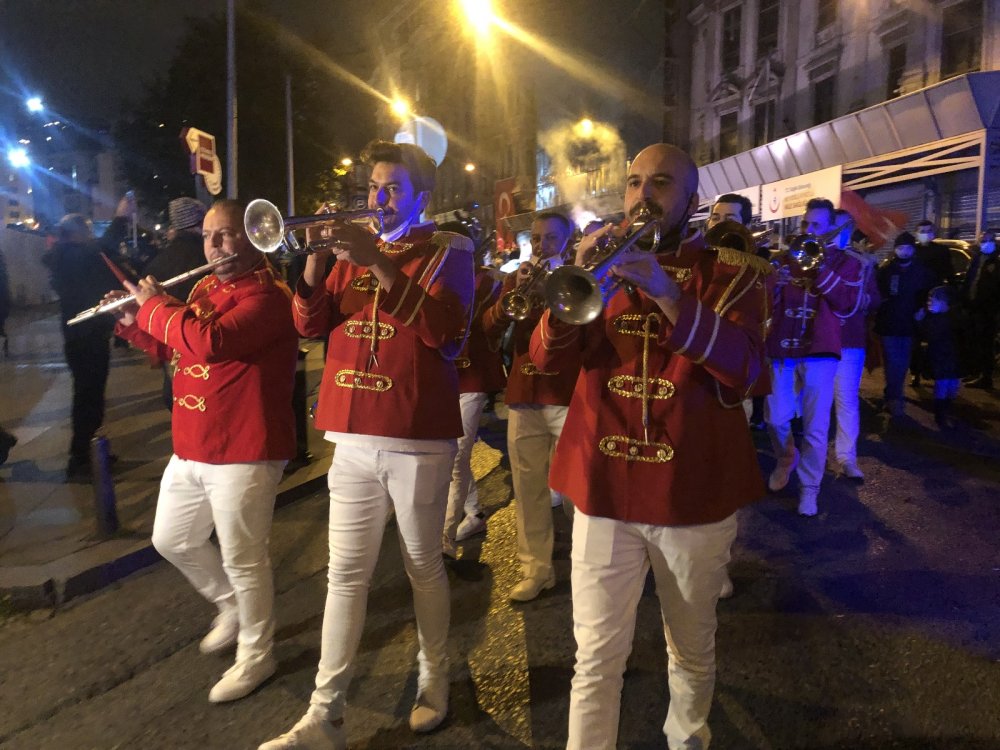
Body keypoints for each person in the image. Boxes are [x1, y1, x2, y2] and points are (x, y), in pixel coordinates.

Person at [530, 143, 770, 749]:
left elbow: (748, 370)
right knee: (595, 658)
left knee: (689, 650)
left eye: (660, 184)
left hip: (691, 492)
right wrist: (568, 295)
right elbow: (544, 366)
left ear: (691, 199)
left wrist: (666, 292)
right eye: (634, 183)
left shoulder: (733, 272)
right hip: (604, 487)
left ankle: (687, 740)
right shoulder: (601, 264)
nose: (642, 196)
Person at [259, 140, 473, 750]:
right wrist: (314, 265)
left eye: (392, 189)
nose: (376, 198)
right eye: (374, 187)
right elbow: (307, 325)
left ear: (422, 198)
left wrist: (375, 257)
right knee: (344, 575)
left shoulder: (447, 251)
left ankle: (436, 680)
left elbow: (443, 332)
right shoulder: (349, 254)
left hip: (415, 436)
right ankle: (322, 716)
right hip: (350, 432)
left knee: (421, 565)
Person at [106, 199, 298, 703]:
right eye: (210, 235)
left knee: (244, 556)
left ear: (253, 237)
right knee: (171, 539)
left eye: (228, 234)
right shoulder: (206, 287)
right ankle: (230, 605)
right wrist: (132, 321)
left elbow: (210, 342)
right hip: (193, 442)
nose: (215, 245)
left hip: (245, 445)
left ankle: (258, 655)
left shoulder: (271, 295)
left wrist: (155, 307)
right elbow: (177, 348)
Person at [482, 210, 578, 602]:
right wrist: (509, 298)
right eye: (537, 238)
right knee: (528, 488)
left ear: (567, 241)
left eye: (551, 238)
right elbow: (487, 330)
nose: (542, 245)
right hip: (524, 393)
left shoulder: (578, 278)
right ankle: (536, 570)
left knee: (576, 490)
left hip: (569, 395)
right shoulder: (515, 277)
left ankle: (590, 563)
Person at [766, 198, 861, 516]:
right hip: (782, 347)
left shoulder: (849, 263)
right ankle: (785, 456)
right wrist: (773, 283)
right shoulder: (785, 258)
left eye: (817, 226)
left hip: (820, 351)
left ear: (832, 229)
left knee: (816, 426)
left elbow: (847, 304)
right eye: (806, 224)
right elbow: (767, 302)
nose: (809, 230)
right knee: (775, 417)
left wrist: (818, 266)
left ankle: (810, 488)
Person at [438, 221, 506, 555]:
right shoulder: (434, 277)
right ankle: (474, 511)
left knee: (456, 455)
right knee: (451, 456)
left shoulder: (489, 281)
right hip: (443, 377)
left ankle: (445, 538)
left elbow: (485, 322)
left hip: (473, 377)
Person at [42, 214, 119, 478]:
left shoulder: (67, 257)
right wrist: (118, 220)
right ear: (75, 233)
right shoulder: (74, 257)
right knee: (88, 397)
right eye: (86, 229)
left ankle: (92, 450)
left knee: (90, 396)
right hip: (86, 336)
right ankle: (82, 456)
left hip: (84, 335)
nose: (90, 234)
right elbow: (101, 256)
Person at [143, 197, 209, 409]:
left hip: (169, 343)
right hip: (200, 342)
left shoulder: (157, 261)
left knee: (175, 396)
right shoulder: (208, 257)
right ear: (200, 223)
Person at [827, 214, 880, 481]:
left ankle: (847, 458)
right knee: (814, 403)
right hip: (820, 342)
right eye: (835, 228)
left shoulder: (861, 263)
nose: (841, 233)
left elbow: (874, 299)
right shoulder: (818, 256)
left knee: (846, 401)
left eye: (845, 228)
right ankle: (808, 457)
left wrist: (860, 298)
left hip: (849, 341)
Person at [875, 232, 937, 418]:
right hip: (889, 324)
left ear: (913, 249)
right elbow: (878, 293)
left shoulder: (923, 272)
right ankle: (895, 397)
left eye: (907, 248)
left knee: (901, 363)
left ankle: (893, 395)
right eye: (900, 248)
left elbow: (931, 293)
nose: (904, 252)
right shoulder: (887, 271)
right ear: (895, 250)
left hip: (910, 325)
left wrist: (923, 310)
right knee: (893, 362)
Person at [915, 286, 962, 427]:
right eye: (928, 299)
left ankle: (945, 409)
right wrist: (919, 321)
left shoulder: (953, 318)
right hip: (940, 356)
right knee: (942, 383)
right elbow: (926, 334)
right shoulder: (931, 318)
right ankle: (941, 415)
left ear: (943, 302)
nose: (929, 302)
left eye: (932, 299)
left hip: (951, 355)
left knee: (952, 384)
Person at [962, 230, 998, 390]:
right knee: (973, 341)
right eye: (983, 240)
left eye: (988, 240)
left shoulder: (996, 261)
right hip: (973, 306)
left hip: (988, 309)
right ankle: (975, 372)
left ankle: (986, 377)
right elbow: (969, 280)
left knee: (986, 343)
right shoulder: (976, 259)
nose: (985, 243)